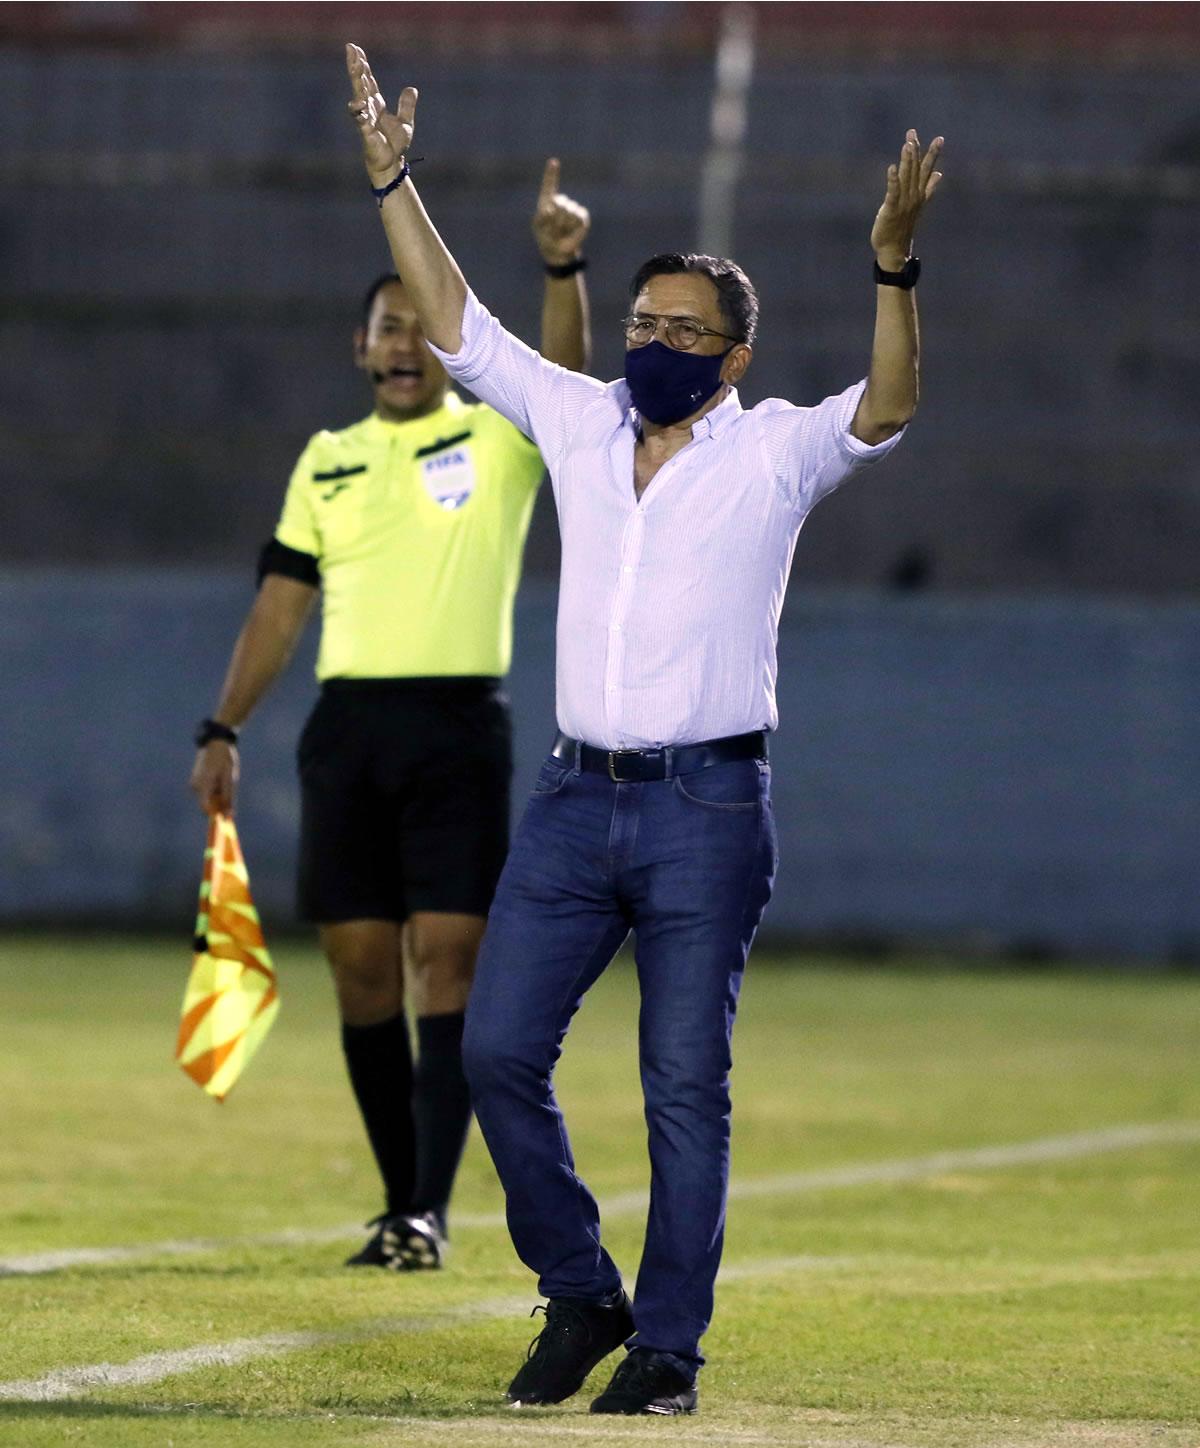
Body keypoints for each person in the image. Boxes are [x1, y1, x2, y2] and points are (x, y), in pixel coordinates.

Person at [345, 43, 943, 1412]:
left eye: (687, 331)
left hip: (705, 808)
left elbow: (892, 404)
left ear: (736, 354)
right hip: (570, 803)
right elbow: (456, 320)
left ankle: (666, 1350)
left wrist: (893, 271)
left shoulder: (778, 445)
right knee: (494, 1051)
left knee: (684, 1087)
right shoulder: (573, 415)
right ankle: (583, 1294)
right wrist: (395, 182)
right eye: (643, 323)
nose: (656, 345)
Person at [189, 160, 592, 1272]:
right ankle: (396, 1197)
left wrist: (563, 265)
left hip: (459, 731)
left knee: (447, 968)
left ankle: (425, 1206)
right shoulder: (326, 461)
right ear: (360, 347)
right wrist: (223, 725)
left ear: (441, 345)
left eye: (421, 327)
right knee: (362, 971)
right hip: (346, 737)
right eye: (386, 327)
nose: (405, 343)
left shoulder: (499, 438)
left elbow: (563, 374)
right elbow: (280, 607)